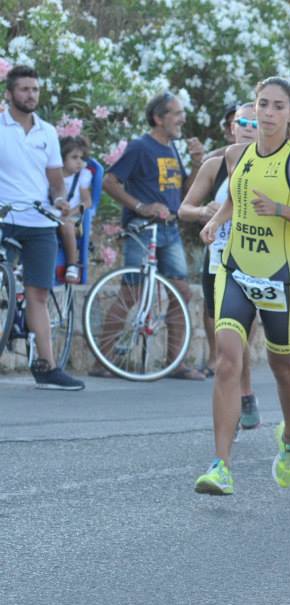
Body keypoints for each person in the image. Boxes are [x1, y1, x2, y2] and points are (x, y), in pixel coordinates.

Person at [194, 76, 290, 496]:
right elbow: (237, 196)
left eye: (277, 106)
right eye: (262, 105)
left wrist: (280, 209)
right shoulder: (238, 155)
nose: (268, 113)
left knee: (282, 367)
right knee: (228, 361)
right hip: (235, 271)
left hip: (282, 280)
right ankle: (221, 465)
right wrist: (217, 221)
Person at [101, 90, 207, 380]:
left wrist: (198, 162)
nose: (182, 119)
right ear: (158, 118)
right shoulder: (140, 147)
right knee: (132, 291)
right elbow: (109, 181)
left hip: (169, 229)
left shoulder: (172, 149)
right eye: (176, 113)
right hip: (143, 229)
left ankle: (176, 364)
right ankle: (103, 360)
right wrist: (140, 206)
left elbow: (186, 192)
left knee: (181, 292)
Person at [0, 65, 83, 390]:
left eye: (34, 89)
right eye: (24, 89)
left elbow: (55, 181)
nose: (30, 95)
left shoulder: (47, 132)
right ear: (9, 94)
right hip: (4, 218)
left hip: (39, 221)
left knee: (38, 292)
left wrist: (61, 199)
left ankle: (46, 367)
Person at [179, 102, 261, 430]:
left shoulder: (277, 166)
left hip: (258, 262)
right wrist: (205, 213)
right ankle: (242, 396)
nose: (248, 127)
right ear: (231, 128)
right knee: (226, 341)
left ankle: (242, 396)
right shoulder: (214, 165)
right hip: (219, 261)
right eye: (242, 122)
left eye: (255, 122)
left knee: (237, 342)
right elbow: (185, 208)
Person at [58, 135, 93, 284]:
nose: (80, 162)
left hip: (72, 218)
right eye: (74, 157)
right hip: (51, 215)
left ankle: (72, 265)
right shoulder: (53, 175)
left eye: (82, 158)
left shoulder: (82, 177)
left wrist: (70, 212)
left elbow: (87, 202)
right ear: (61, 158)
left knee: (67, 226)